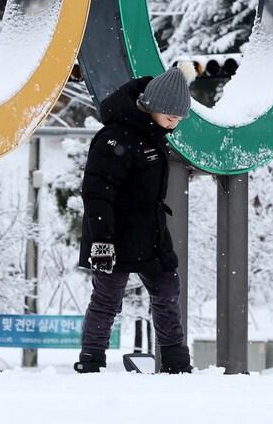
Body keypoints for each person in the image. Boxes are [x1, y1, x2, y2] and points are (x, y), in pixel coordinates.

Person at [74, 63, 196, 374]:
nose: (174, 126)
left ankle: (176, 362)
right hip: (113, 233)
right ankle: (91, 363)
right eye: (171, 118)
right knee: (107, 299)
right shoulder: (115, 138)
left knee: (168, 293)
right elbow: (97, 192)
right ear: (153, 107)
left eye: (179, 120)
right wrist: (102, 241)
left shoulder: (153, 134)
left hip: (150, 233)